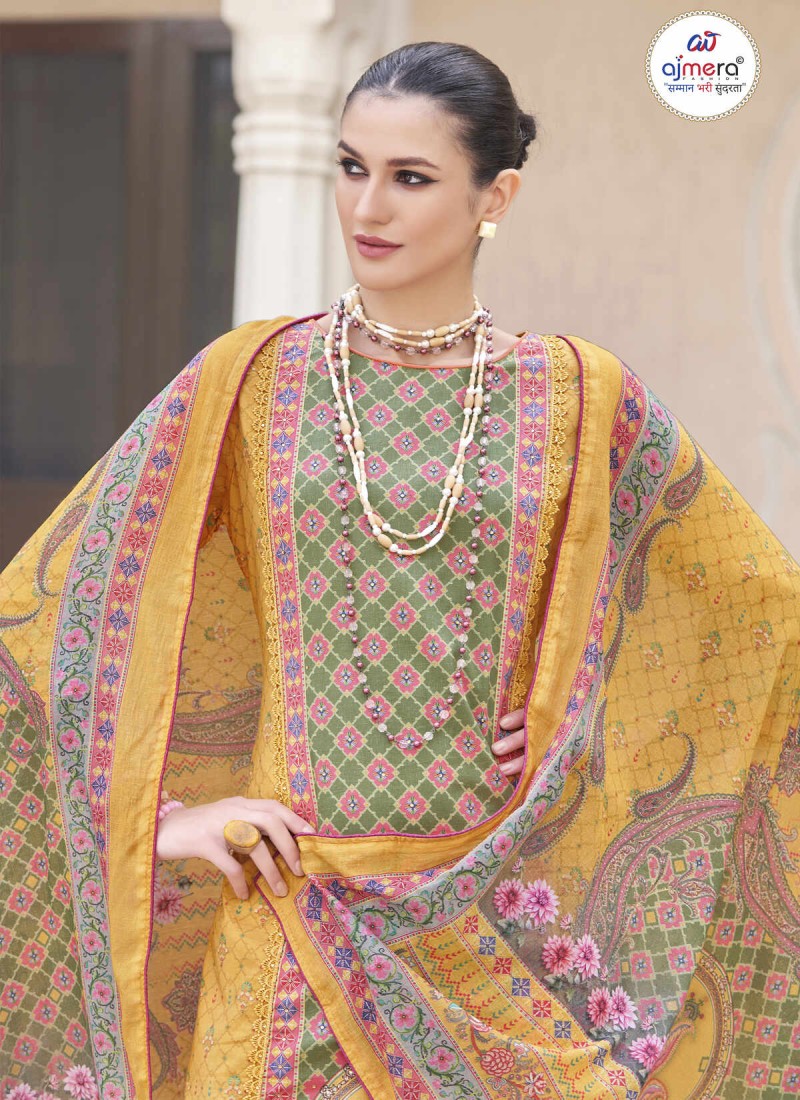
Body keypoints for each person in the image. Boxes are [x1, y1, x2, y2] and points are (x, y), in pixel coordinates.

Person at [1, 39, 798, 1100]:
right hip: (290, 921)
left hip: (495, 929)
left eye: (410, 177)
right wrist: (159, 818)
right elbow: (52, 612)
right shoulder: (250, 378)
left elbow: (754, 611)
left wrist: (586, 708)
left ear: (493, 197)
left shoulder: (578, 394)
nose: (366, 207)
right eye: (350, 167)